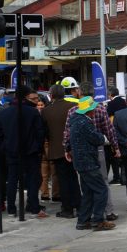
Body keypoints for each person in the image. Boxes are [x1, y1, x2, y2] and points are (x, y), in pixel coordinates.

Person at [0, 85, 47, 219]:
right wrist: (38, 147)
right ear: (26, 96)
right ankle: (34, 207)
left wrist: (5, 147)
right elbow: (40, 132)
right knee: (32, 179)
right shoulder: (32, 112)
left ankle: (11, 208)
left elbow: (0, 134)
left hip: (11, 151)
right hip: (30, 151)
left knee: (12, 180)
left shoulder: (4, 113)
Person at [67, 96, 116, 231]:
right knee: (101, 189)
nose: (94, 111)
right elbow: (98, 139)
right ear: (89, 111)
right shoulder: (85, 123)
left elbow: (69, 139)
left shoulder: (75, 121)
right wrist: (102, 137)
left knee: (88, 192)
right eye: (93, 109)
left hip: (81, 162)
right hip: (88, 162)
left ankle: (83, 221)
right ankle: (98, 220)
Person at [43, 85, 80, 219]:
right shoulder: (73, 107)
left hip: (57, 149)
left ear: (51, 95)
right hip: (73, 147)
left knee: (62, 180)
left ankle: (67, 208)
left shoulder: (46, 111)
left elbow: (45, 131)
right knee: (73, 177)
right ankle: (79, 205)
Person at [105, 86, 126, 185]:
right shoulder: (123, 101)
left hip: (115, 131)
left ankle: (116, 177)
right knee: (123, 156)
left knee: (114, 156)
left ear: (110, 94)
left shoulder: (111, 104)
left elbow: (106, 116)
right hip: (125, 132)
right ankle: (123, 177)